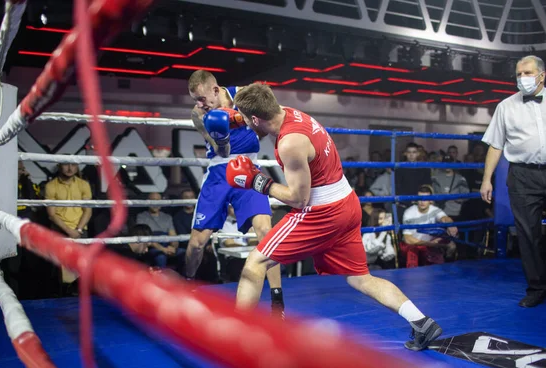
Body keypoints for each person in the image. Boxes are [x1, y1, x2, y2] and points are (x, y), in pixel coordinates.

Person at [228, 83, 441, 350]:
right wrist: (238, 115)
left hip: (321, 213)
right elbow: (259, 114)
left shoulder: (290, 142)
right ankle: (422, 322)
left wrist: (257, 182)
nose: (246, 125)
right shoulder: (289, 113)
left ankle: (235, 338)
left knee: (255, 264)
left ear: (257, 118)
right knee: (361, 278)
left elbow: (298, 198)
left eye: (248, 121)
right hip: (347, 204)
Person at [186, 70, 284, 316]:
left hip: (249, 166)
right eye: (195, 99)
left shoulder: (242, 94)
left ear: (215, 89)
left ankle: (277, 301)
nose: (199, 104)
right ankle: (187, 284)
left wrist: (241, 119)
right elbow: (221, 150)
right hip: (219, 171)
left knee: (265, 231)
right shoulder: (198, 114)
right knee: (197, 243)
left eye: (201, 98)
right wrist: (221, 134)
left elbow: (269, 118)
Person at [480, 55, 546, 308]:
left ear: (542, 75)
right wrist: (487, 179)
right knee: (528, 234)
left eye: (527, 73)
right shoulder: (506, 106)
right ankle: (537, 288)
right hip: (522, 175)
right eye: (518, 74)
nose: (522, 79)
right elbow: (496, 145)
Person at [45, 161, 92, 295]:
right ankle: (62, 299)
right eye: (66, 164)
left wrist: (78, 230)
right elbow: (52, 215)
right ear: (59, 166)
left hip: (80, 230)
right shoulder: (51, 186)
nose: (70, 168)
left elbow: (88, 211)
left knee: (81, 268)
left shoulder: (83, 184)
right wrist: (70, 231)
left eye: (73, 165)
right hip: (61, 230)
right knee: (61, 269)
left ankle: (80, 299)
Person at [400, 185, 458, 267]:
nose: (422, 201)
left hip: (429, 244)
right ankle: (412, 277)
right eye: (419, 198)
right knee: (412, 254)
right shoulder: (409, 212)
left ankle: (444, 270)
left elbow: (444, 218)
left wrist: (450, 225)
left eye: (425, 199)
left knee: (450, 246)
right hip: (414, 244)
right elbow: (408, 239)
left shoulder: (435, 210)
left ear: (430, 200)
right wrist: (430, 244)